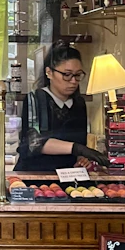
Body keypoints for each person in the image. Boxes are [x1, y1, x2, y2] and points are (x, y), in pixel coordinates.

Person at [15, 42, 109, 174]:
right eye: (67, 74)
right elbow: (34, 143)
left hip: (68, 176)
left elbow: (79, 145)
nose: (73, 81)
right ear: (49, 73)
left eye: (78, 75)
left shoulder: (79, 103)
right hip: (36, 174)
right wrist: (76, 148)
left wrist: (82, 159)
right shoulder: (35, 98)